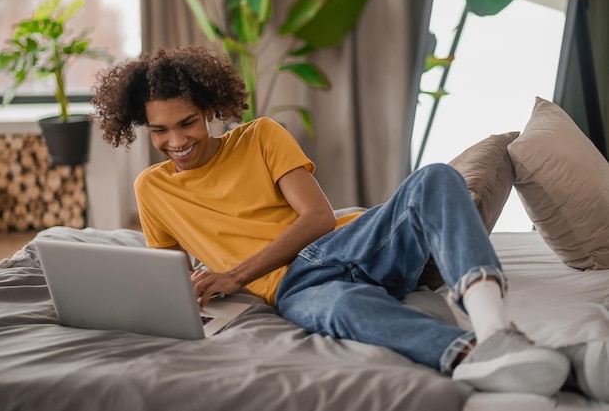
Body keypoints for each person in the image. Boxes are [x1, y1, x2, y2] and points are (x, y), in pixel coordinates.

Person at [91, 44, 608, 401]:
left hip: (341, 245)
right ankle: (519, 360)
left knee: (434, 178)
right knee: (347, 312)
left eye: (187, 123)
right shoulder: (151, 189)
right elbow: (168, 277)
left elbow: (317, 218)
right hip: (293, 289)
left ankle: (497, 331)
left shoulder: (261, 137)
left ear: (209, 109)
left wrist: (235, 275)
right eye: (159, 131)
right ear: (142, 127)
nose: (176, 141)